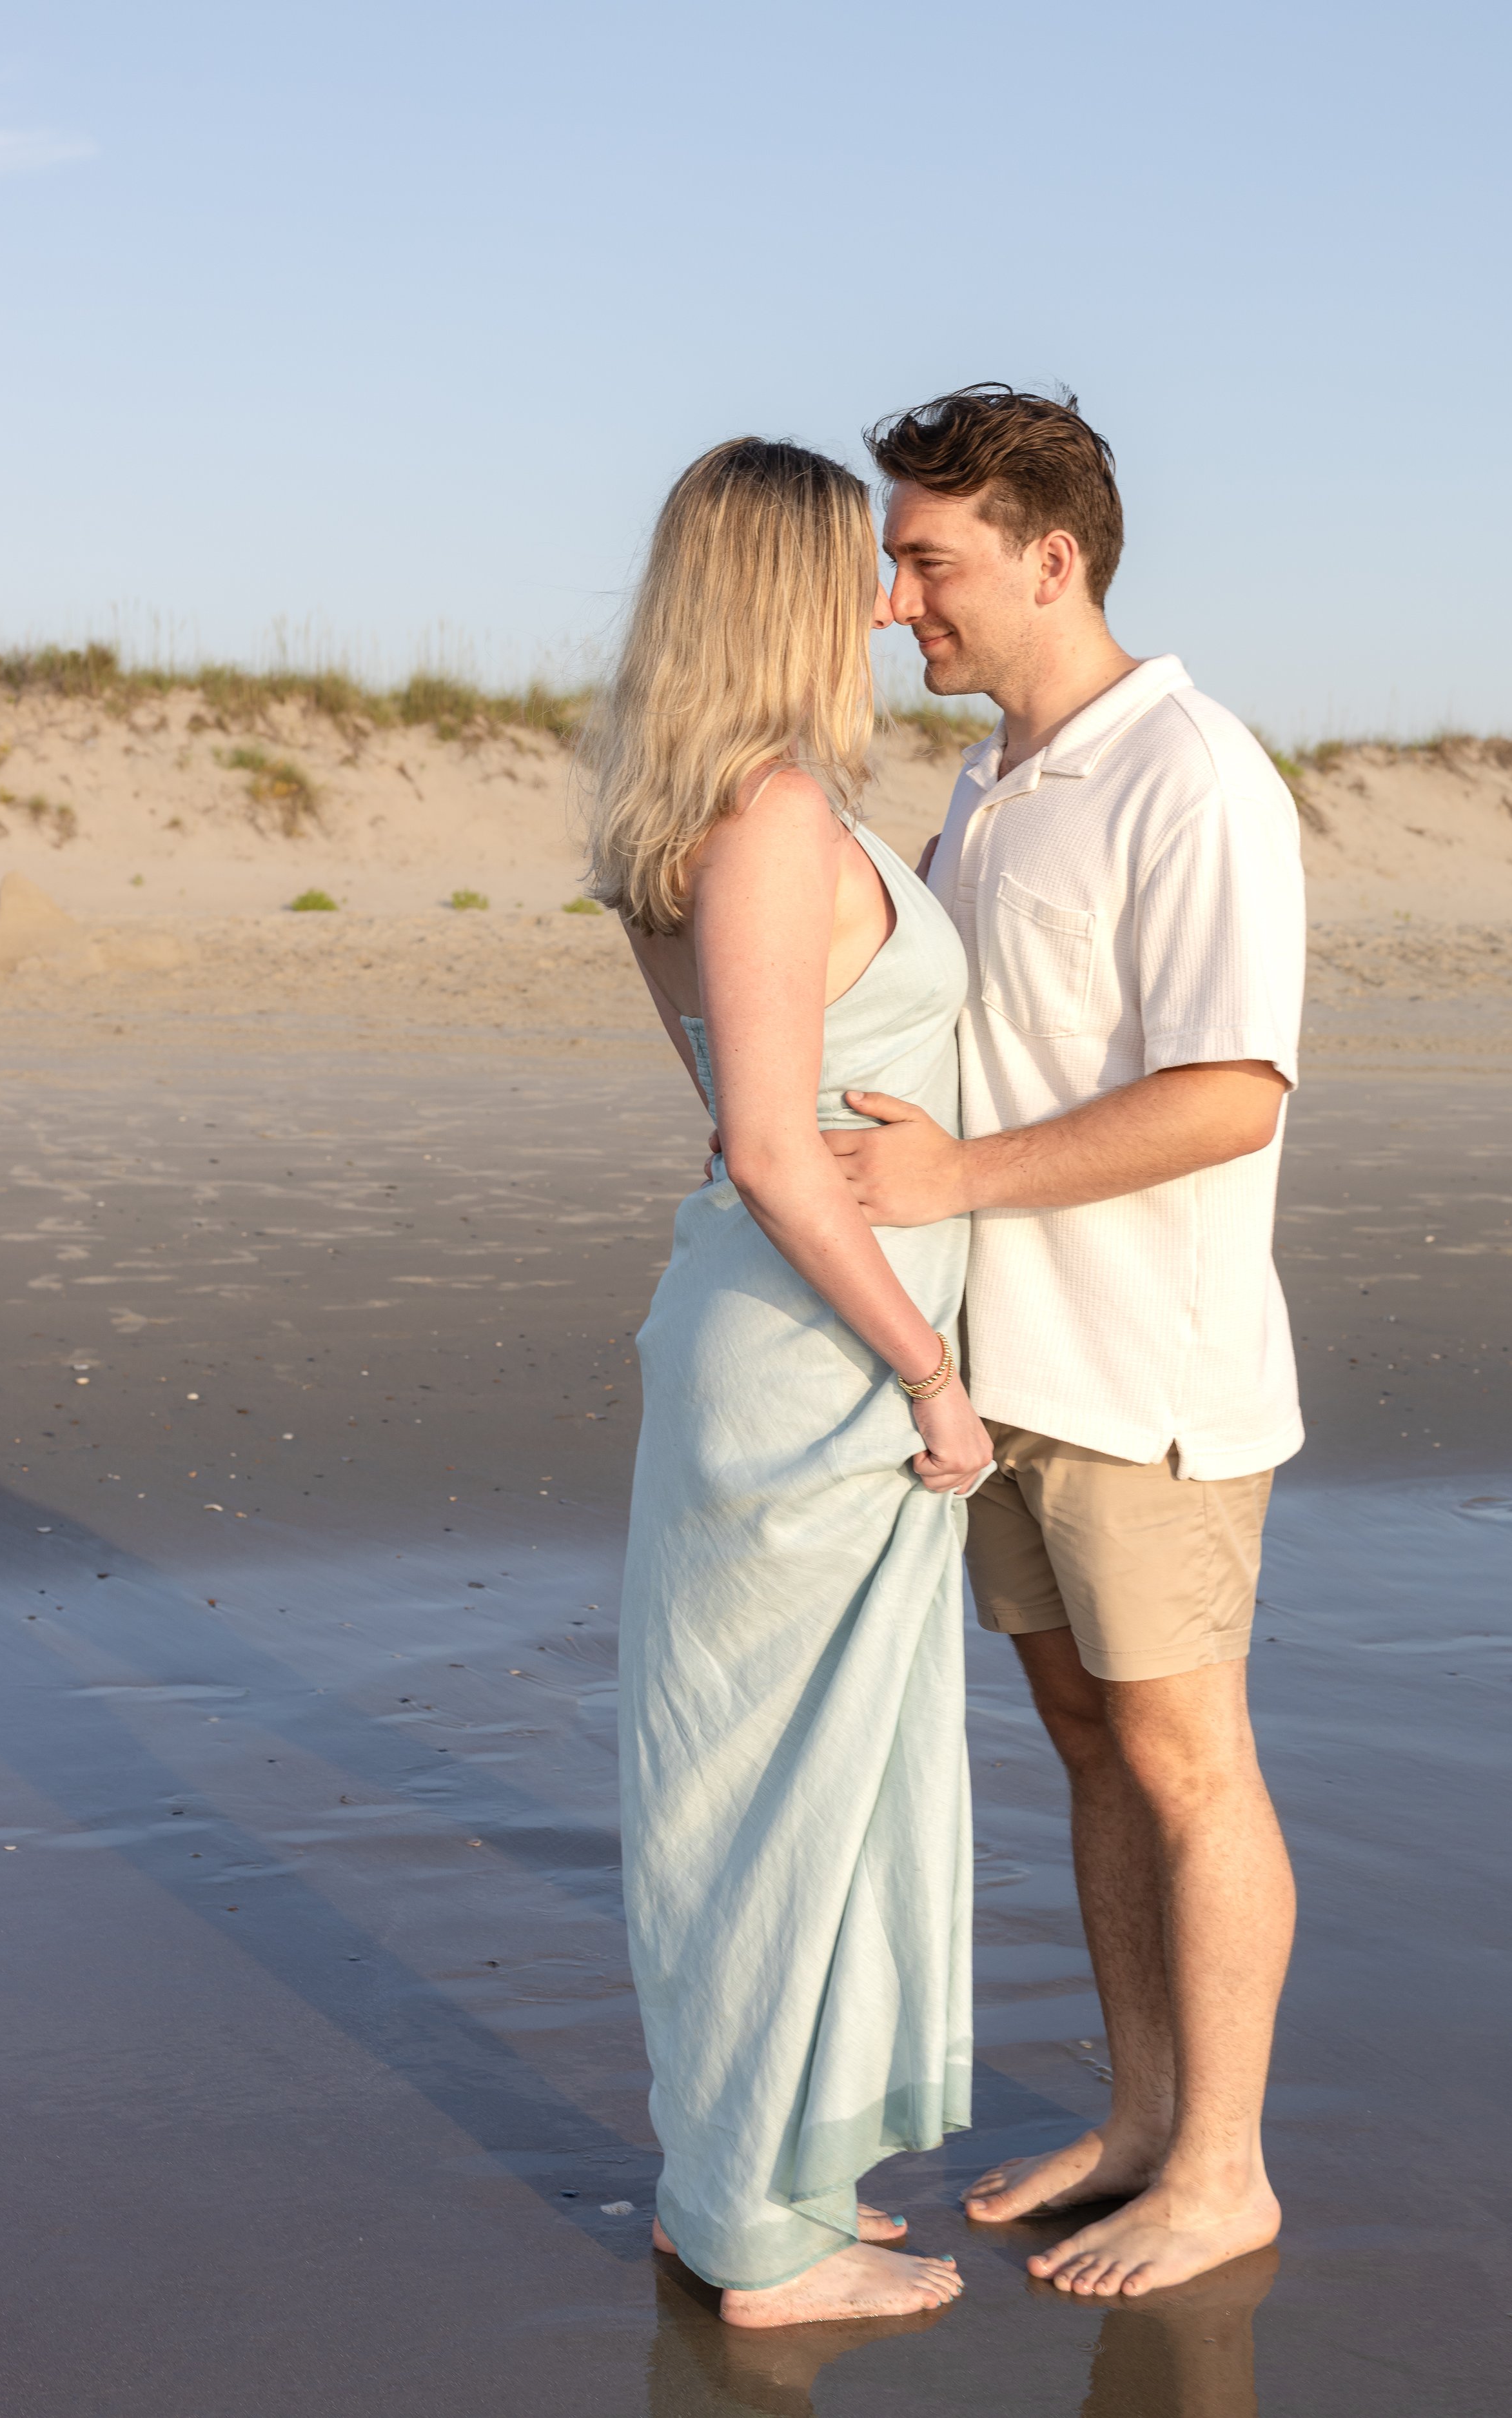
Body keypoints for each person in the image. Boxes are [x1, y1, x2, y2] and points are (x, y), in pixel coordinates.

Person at [823, 385, 1304, 2299]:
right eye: (889, 560)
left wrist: (947, 1183)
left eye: (925, 561)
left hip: (1148, 1381)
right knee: (1091, 1751)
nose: (893, 603)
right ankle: (1134, 2121)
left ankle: (1224, 2169)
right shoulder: (995, 779)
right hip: (1006, 1377)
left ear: (1052, 555)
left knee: (1187, 1760)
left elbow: (1229, 1095)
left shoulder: (1189, 771)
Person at [585, 437, 990, 2328]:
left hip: (786, 1328)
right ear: (784, 588)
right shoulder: (759, 819)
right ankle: (760, 2238)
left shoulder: (722, 809)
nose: (895, 597)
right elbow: (762, 1141)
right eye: (869, 567)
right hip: (819, 1353)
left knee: (784, 1777)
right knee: (776, 1793)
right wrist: (928, 1370)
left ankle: (758, 2174)